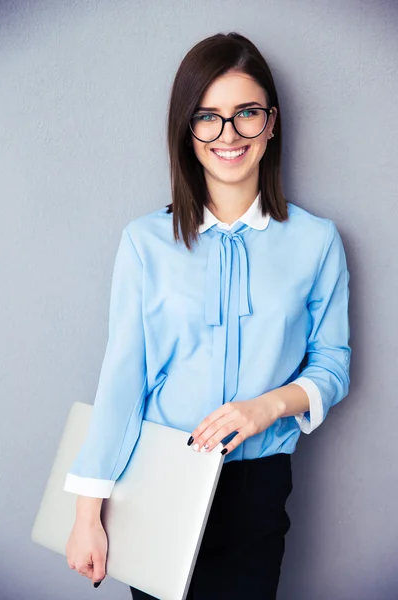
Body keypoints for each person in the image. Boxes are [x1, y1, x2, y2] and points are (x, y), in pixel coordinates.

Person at [64, 31, 351, 600]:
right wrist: (86, 513)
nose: (228, 135)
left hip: (259, 487)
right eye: (208, 117)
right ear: (186, 130)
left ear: (271, 125)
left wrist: (269, 406)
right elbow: (123, 381)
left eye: (246, 114)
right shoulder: (145, 242)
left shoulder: (317, 242)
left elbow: (333, 364)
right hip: (156, 481)